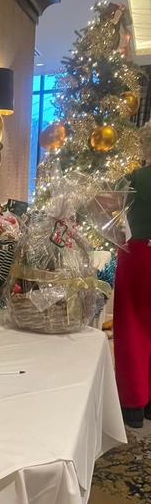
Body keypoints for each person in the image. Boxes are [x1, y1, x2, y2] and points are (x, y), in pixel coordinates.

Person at [114, 123, 151, 428]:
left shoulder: (134, 178)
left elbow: (100, 207)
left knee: (132, 329)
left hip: (138, 256)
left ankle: (134, 407)